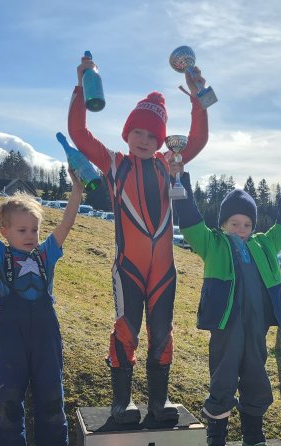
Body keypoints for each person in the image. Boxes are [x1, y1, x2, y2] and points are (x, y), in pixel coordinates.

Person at [68, 55, 209, 424]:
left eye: (152, 136)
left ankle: (158, 403)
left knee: (162, 336)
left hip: (164, 271)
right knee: (125, 332)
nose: (144, 140)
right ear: (126, 134)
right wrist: (81, 87)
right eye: (138, 133)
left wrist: (197, 98)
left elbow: (198, 139)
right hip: (128, 268)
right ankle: (122, 403)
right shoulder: (114, 163)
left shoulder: (169, 163)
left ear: (161, 140)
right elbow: (79, 134)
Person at [0, 157, 83, 446]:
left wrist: (76, 189)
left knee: (51, 391)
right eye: (22, 230)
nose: (30, 235)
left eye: (34, 229)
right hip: (11, 331)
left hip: (46, 330)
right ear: (5, 231)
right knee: (9, 393)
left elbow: (67, 222)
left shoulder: (46, 253)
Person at [173, 170, 281, 446]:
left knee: (256, 380)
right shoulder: (213, 243)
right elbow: (190, 222)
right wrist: (181, 181)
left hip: (256, 329)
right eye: (234, 224)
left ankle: (253, 441)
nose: (241, 230)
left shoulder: (264, 245)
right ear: (223, 224)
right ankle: (215, 443)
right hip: (227, 329)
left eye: (247, 224)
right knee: (223, 380)